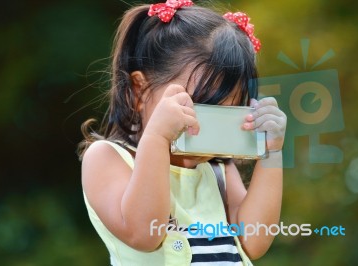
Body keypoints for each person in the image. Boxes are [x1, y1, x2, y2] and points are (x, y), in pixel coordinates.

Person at [78, 1, 286, 265]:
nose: (207, 125)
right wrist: (157, 138)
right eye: (200, 106)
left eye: (229, 110)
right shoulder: (108, 158)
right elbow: (144, 233)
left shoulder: (218, 170)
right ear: (140, 90)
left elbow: (255, 241)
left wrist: (272, 153)